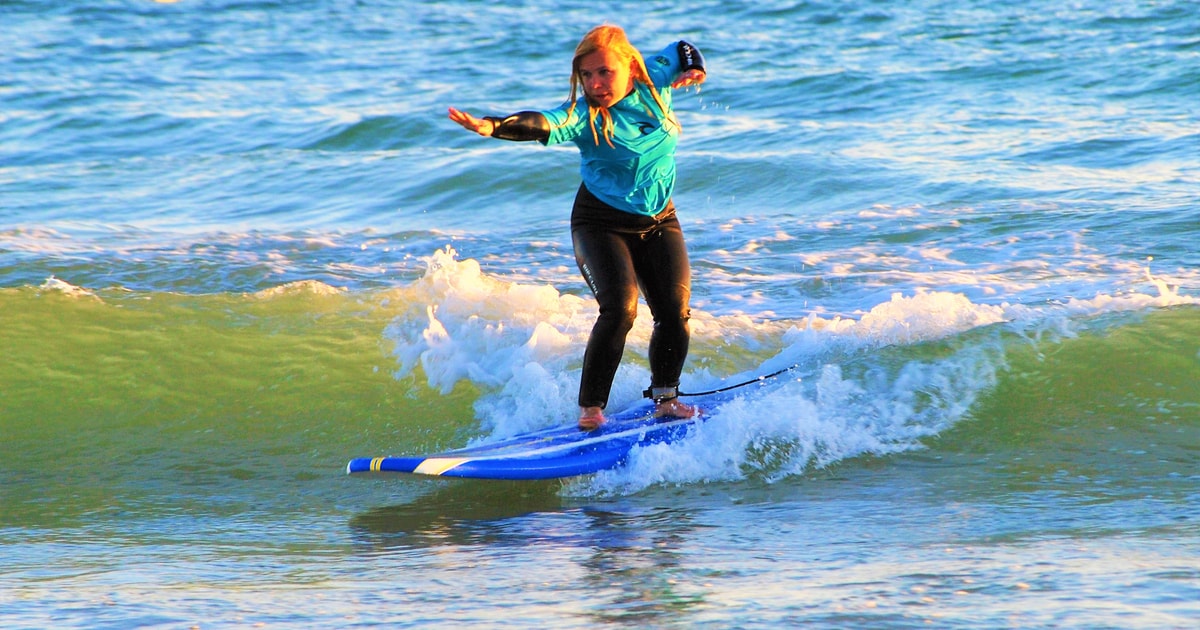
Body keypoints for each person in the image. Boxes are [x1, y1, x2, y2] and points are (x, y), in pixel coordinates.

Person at [448, 25, 707, 430]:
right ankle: (590, 409)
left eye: (604, 72)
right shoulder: (584, 115)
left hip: (660, 219)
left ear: (630, 67)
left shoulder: (654, 78)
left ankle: (666, 399)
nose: (596, 84)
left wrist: (694, 68)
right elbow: (543, 123)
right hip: (600, 222)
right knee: (620, 310)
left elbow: (682, 47)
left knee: (675, 314)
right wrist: (496, 126)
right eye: (587, 75)